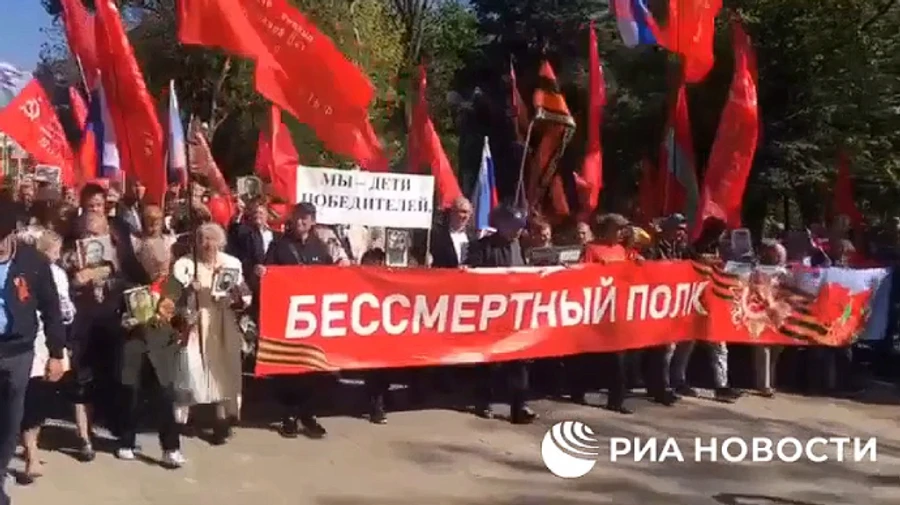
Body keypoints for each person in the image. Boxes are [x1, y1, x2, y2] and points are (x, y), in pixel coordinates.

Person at [0, 200, 66, 505]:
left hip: (18, 350)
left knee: (10, 421)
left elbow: (52, 308)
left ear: (11, 235)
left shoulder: (32, 262)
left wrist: (56, 353)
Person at [171, 223, 250, 445]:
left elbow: (245, 296)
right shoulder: (185, 264)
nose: (207, 244)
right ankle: (184, 418)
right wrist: (188, 290)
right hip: (195, 322)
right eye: (203, 239)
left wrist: (232, 293)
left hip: (222, 323)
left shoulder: (231, 264)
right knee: (191, 369)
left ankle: (221, 420)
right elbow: (171, 295)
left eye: (212, 239)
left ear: (221, 242)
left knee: (222, 371)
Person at [261, 203, 335, 438]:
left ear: (312, 221)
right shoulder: (279, 245)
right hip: (288, 316)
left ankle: (308, 413)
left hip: (312, 318)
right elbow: (267, 273)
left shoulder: (320, 248)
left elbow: (329, 278)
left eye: (305, 219)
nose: (300, 222)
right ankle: (289, 415)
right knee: (290, 368)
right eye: (297, 218)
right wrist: (261, 273)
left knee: (312, 369)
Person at [465, 205, 537, 424]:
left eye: (520, 227)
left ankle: (519, 406)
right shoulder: (481, 247)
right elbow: (471, 277)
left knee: (519, 361)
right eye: (513, 226)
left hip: (516, 313)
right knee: (489, 362)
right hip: (490, 313)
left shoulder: (521, 247)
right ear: (501, 224)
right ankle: (483, 401)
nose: (517, 231)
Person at [118, 238, 185, 467]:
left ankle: (171, 448)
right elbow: (119, 312)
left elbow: (181, 314)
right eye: (155, 264)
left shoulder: (174, 285)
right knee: (131, 396)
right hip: (135, 345)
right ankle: (126, 441)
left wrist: (184, 321)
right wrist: (125, 320)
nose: (160, 268)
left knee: (165, 397)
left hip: (163, 347)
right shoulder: (130, 283)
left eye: (164, 263)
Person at [16, 231, 73, 486]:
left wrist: (57, 351)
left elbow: (61, 309)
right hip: (18, 341)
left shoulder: (58, 275)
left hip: (43, 343)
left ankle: (31, 453)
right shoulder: (19, 270)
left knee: (35, 398)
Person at [573, 213, 634, 414]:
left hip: (616, 310)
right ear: (607, 229)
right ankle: (577, 390)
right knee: (589, 354)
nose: (621, 233)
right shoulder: (591, 249)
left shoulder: (621, 249)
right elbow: (582, 273)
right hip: (596, 309)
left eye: (623, 229)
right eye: (618, 228)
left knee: (618, 356)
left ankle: (617, 399)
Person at [430, 196, 475, 268]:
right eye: (463, 212)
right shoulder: (438, 235)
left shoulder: (472, 236)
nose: (466, 216)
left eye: (469, 213)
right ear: (453, 212)